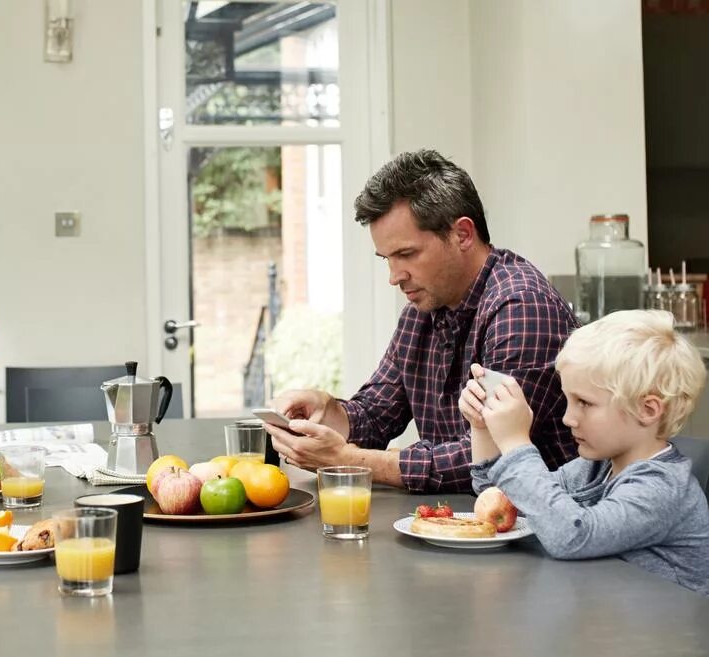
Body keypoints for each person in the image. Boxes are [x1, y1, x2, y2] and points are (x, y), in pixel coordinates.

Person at [268, 149, 578, 493]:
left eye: (406, 254)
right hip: (457, 524)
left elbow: (488, 458)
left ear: (461, 234)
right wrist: (325, 409)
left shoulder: (522, 307)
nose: (394, 276)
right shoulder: (422, 310)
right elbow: (374, 415)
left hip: (535, 531)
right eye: (386, 258)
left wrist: (349, 460)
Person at [461, 310, 709, 595]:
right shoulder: (596, 468)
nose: (568, 418)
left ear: (647, 410)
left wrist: (517, 443)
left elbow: (572, 535)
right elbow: (506, 500)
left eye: (585, 403)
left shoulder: (662, 488)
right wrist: (483, 428)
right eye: (568, 399)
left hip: (660, 636)